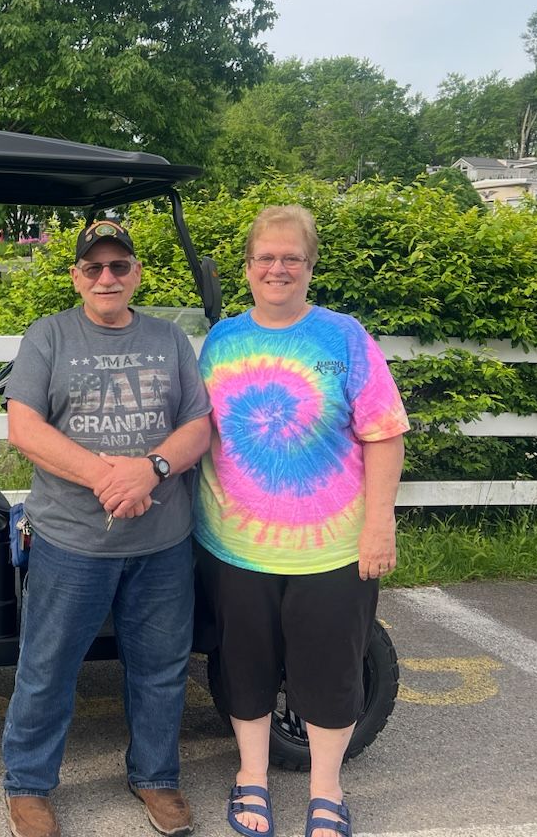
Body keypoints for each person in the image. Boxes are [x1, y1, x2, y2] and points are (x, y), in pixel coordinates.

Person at [194, 205, 409, 837]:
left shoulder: (343, 337)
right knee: (245, 668)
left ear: (310, 265)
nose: (278, 267)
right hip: (235, 545)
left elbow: (384, 434)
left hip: (334, 549)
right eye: (266, 257)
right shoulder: (223, 340)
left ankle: (326, 790)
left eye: (292, 257)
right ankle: (251, 779)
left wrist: (380, 523)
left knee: (330, 674)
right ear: (249, 267)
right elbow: (196, 431)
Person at [2, 219, 213, 837]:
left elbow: (198, 425)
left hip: (162, 541)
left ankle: (156, 777)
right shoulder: (49, 336)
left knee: (161, 667)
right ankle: (28, 784)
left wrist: (150, 470)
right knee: (48, 667)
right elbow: (25, 428)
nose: (106, 277)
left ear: (136, 274)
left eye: (119, 266)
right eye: (93, 267)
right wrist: (106, 478)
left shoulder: (170, 340)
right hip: (72, 540)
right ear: (76, 276)